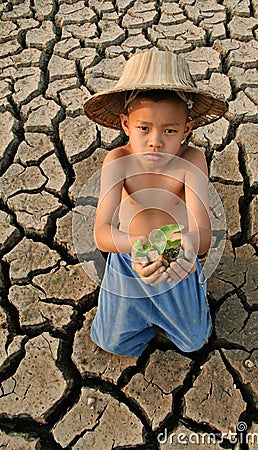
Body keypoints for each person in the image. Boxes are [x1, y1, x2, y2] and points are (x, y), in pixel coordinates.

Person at [84, 49, 227, 356]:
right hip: (129, 258)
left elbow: (203, 234)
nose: (155, 141)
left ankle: (181, 310)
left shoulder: (191, 162)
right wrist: (137, 246)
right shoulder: (118, 161)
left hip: (176, 257)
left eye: (170, 130)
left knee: (194, 341)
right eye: (144, 128)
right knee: (112, 342)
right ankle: (141, 318)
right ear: (125, 124)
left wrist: (184, 246)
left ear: (187, 130)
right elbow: (102, 232)